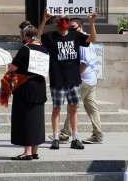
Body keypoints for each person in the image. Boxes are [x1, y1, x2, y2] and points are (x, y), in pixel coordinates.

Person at [38, 9, 97, 150]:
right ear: (57, 21)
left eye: (66, 19)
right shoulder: (51, 36)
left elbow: (92, 39)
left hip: (73, 80)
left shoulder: (75, 35)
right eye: (61, 19)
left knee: (74, 109)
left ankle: (75, 138)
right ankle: (56, 137)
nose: (64, 22)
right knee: (56, 109)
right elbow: (37, 37)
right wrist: (44, 20)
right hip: (58, 79)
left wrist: (92, 22)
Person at [52, 18, 104, 144]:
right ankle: (98, 135)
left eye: (73, 27)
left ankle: (65, 133)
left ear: (81, 27)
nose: (70, 29)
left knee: (72, 107)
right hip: (90, 79)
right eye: (69, 27)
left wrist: (74, 76)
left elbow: (84, 63)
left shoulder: (81, 41)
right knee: (92, 108)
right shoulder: (80, 39)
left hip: (83, 80)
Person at [8, 23, 48, 160]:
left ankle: (27, 152)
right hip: (39, 87)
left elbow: (13, 67)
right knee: (36, 119)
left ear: (25, 36)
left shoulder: (25, 49)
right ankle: (35, 151)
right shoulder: (43, 49)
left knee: (26, 119)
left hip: (26, 87)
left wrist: (9, 63)